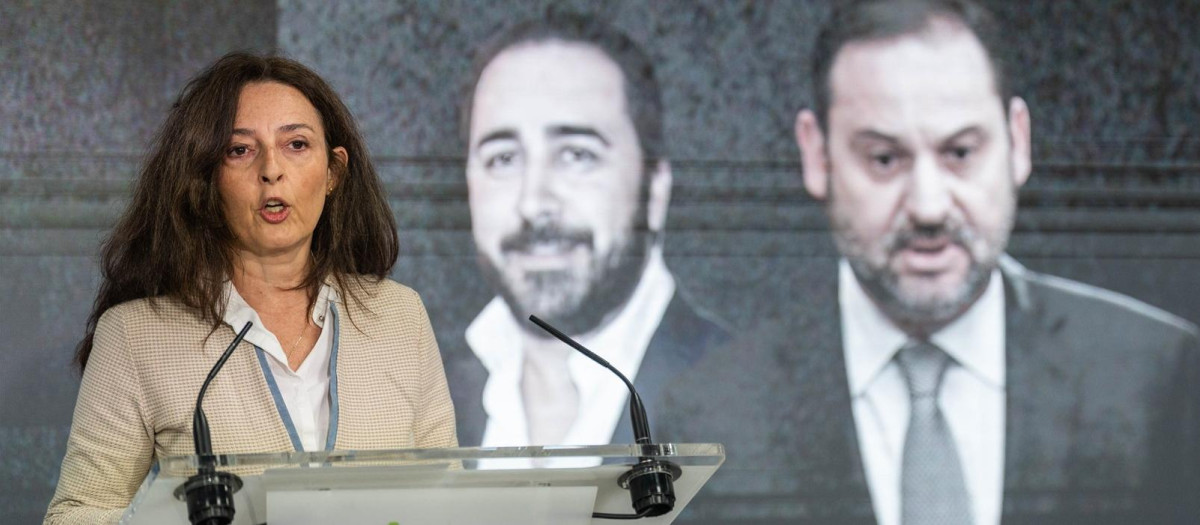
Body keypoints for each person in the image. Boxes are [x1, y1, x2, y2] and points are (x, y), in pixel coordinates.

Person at [660, 1, 1199, 524]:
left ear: (1017, 141)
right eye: (884, 159)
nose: (928, 206)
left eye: (960, 152)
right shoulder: (711, 420)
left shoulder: (1158, 379)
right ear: (817, 156)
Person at [45, 53, 457, 523]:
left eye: (297, 144)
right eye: (240, 150)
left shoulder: (400, 316)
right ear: (205, 179)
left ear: (333, 173)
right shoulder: (136, 336)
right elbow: (75, 515)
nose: (271, 170)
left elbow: (448, 498)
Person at [449, 13, 729, 449]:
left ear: (655, 189)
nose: (534, 202)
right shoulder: (422, 400)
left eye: (577, 155)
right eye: (503, 159)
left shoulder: (749, 395)